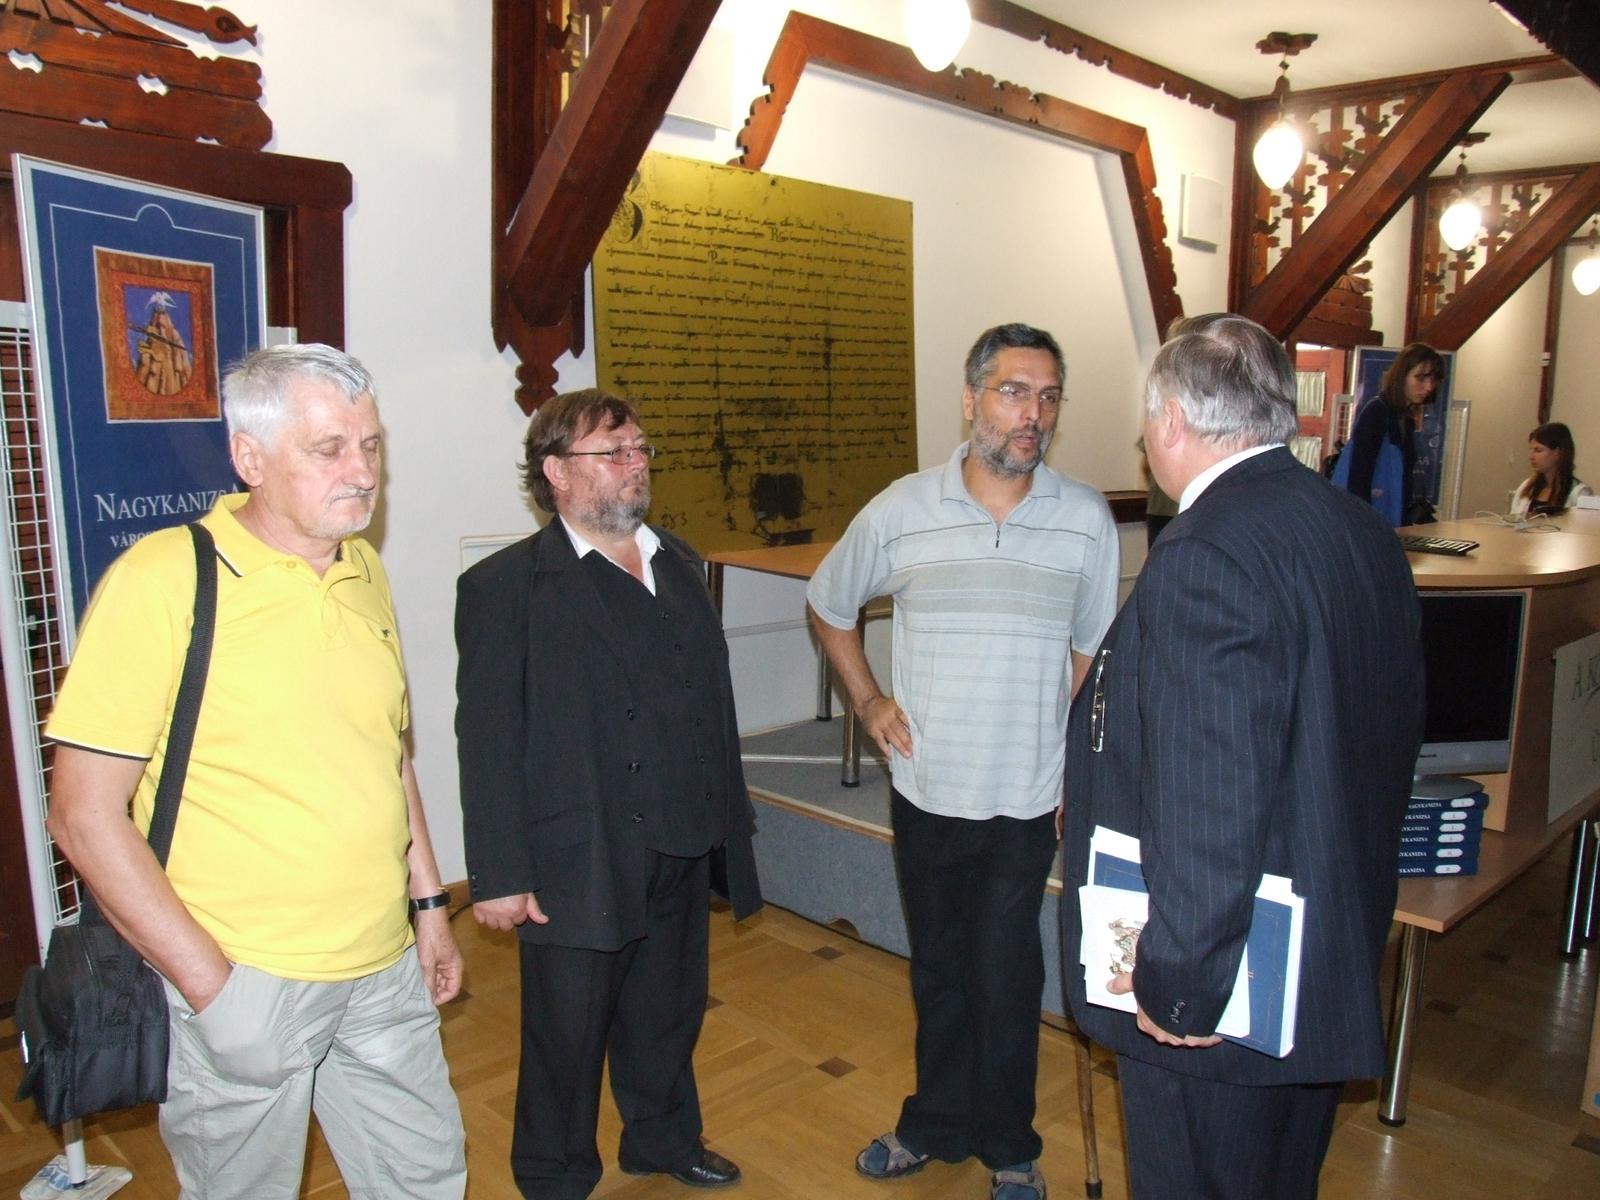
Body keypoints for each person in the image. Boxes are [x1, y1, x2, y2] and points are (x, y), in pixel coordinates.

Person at [45, 344, 467, 1200]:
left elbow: (387, 753)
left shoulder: (363, 568)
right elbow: (82, 815)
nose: (363, 472)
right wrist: (213, 988)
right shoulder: (163, 579)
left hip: (382, 969)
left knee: (426, 1179)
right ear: (250, 457)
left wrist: (428, 907)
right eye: (329, 449)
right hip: (245, 977)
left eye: (371, 445)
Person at [1062, 315, 1424, 1199]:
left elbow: (1210, 800)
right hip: (1322, 948)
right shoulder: (1357, 529)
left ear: (1172, 421)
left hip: (1224, 987)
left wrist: (1181, 987)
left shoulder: (1206, 551)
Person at [807, 323, 1120, 1200]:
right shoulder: (902, 509)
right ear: (972, 399)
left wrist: (1068, 758)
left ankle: (1010, 1144)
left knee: (1007, 971)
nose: (1033, 414)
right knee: (940, 967)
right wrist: (869, 700)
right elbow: (830, 604)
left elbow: (1091, 651)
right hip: (928, 788)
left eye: (1048, 396)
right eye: (1014, 392)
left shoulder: (1086, 520)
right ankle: (934, 1124)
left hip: (1027, 795)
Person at [455, 388, 762, 1200]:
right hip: (578, 851)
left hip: (681, 836)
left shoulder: (680, 562)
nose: (636, 464)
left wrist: (727, 819)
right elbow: (487, 740)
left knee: (669, 1009)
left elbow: (707, 700)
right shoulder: (506, 587)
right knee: (567, 1033)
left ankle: (662, 1138)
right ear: (556, 472)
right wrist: (499, 873)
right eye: (613, 452)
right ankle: (553, 1176)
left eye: (640, 449)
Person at [1336, 341, 1444, 525]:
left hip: (1391, 519)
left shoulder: (1406, 417)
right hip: (1370, 520)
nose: (1429, 387)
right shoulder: (1377, 411)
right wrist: (1365, 524)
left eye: (1433, 380)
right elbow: (1358, 476)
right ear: (1402, 375)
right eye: (1421, 378)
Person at [1510, 421, 1592, 515]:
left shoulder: (1579, 493)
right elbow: (1513, 519)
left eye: (1538, 450)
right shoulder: (1526, 487)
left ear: (1558, 452)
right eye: (1531, 450)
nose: (1531, 457)